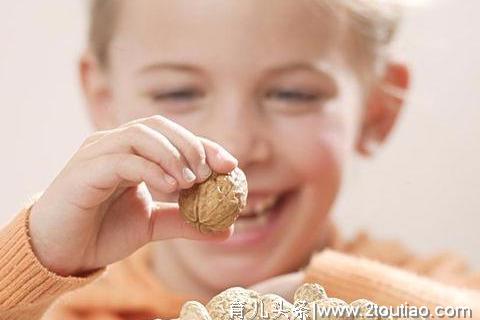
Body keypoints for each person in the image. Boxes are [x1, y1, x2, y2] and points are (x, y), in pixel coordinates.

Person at [1, 0, 479, 319]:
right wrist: (31, 262)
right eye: (179, 91)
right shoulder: (70, 309)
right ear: (103, 98)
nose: (235, 145)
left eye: (292, 94)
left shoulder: (428, 289)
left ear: (377, 112)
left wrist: (325, 298)